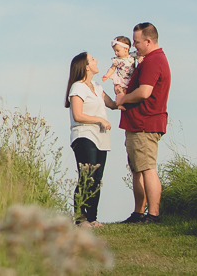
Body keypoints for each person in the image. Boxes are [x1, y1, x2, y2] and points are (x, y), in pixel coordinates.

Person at [118, 22, 171, 224]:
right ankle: (139, 213)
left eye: (138, 42)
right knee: (138, 168)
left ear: (149, 41)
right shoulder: (151, 60)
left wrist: (123, 99)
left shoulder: (152, 61)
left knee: (147, 168)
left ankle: (153, 214)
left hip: (144, 122)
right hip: (139, 122)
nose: (134, 46)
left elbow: (145, 92)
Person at [65, 51, 118, 228]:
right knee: (86, 177)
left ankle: (92, 218)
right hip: (84, 135)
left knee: (97, 178)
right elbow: (78, 115)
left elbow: (113, 104)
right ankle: (80, 219)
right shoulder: (77, 87)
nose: (96, 60)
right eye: (93, 59)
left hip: (101, 137)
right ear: (86, 66)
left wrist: (122, 87)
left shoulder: (98, 87)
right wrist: (100, 119)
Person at [101, 36, 137, 104]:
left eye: (117, 51)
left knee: (129, 91)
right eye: (115, 51)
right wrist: (107, 75)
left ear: (126, 49)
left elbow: (139, 54)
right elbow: (112, 68)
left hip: (130, 78)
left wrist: (140, 57)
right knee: (119, 90)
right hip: (121, 78)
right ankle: (119, 103)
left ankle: (126, 102)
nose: (116, 53)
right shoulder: (117, 60)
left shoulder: (132, 56)